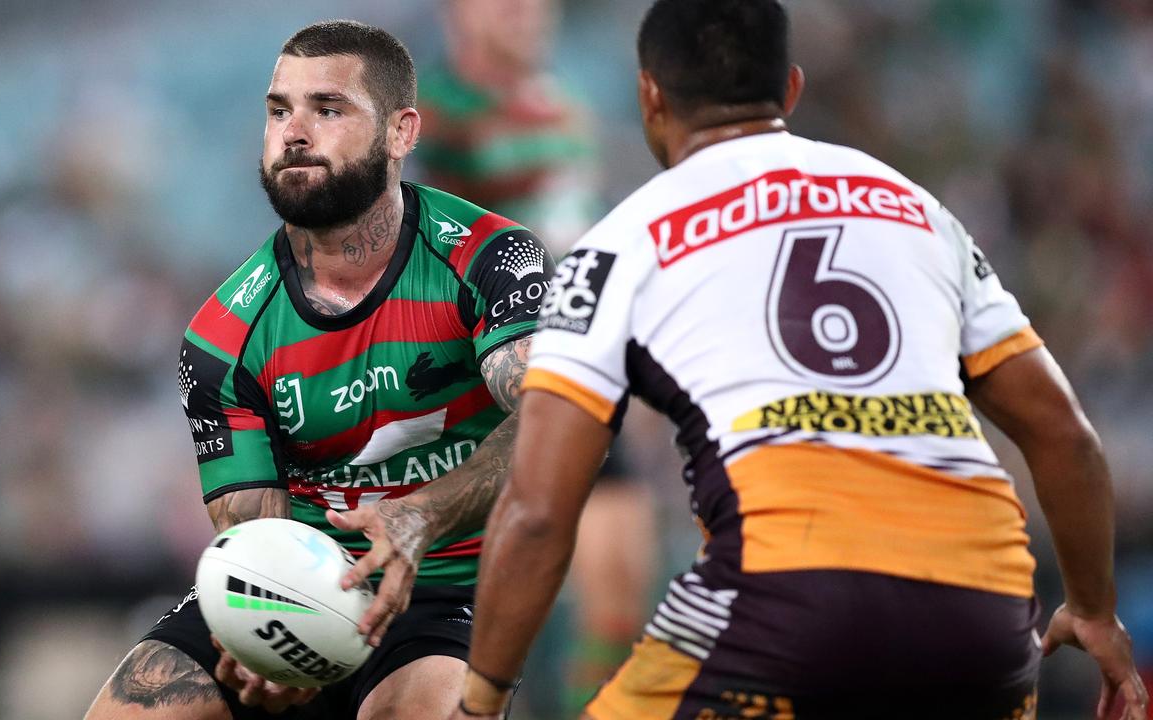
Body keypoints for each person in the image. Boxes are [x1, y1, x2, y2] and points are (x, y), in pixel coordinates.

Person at [451, 1, 1150, 719]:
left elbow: (538, 511)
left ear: (650, 96)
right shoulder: (919, 211)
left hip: (782, 603)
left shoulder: (612, 249)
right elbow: (1065, 435)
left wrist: (480, 702)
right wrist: (1095, 609)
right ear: (790, 90)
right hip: (984, 616)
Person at [83, 19, 555, 720]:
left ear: (402, 132)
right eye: (279, 111)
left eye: (327, 109)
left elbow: (554, 423)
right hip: (303, 582)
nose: (294, 132)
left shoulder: (491, 259)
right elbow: (255, 534)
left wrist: (422, 515)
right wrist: (272, 647)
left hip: (448, 589)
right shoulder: (221, 338)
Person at [413, 0, 658, 713]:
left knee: (619, 585)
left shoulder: (567, 109)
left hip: (576, 376)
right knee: (454, 619)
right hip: (477, 392)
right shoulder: (431, 116)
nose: (528, 14)